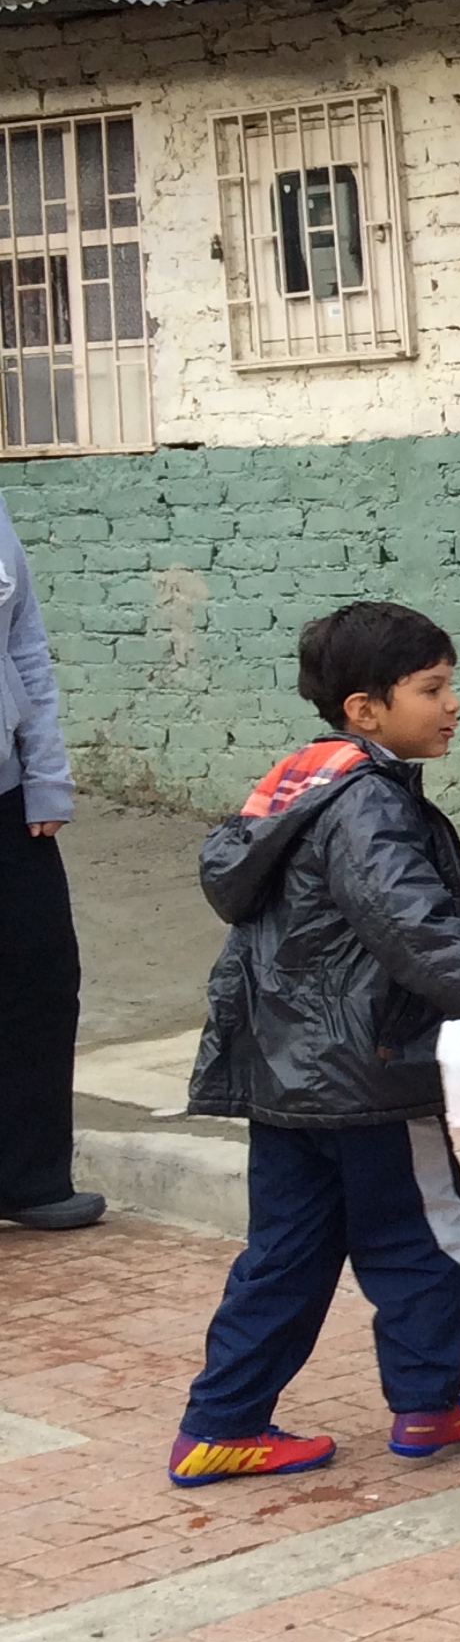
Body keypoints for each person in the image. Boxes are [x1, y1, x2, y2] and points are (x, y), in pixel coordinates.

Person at [168, 603, 460, 1484]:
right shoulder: (368, 803)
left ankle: (221, 1422)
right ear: (366, 710)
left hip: (285, 1074)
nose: (453, 706)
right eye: (433, 689)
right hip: (370, 1072)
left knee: (286, 1251)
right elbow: (408, 924)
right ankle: (430, 1405)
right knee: (422, 1234)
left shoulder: (301, 782)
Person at [0, 493, 94, 1232]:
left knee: (41, 968)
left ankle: (31, 1177)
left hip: (6, 789)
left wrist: (46, 776)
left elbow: (24, 643)